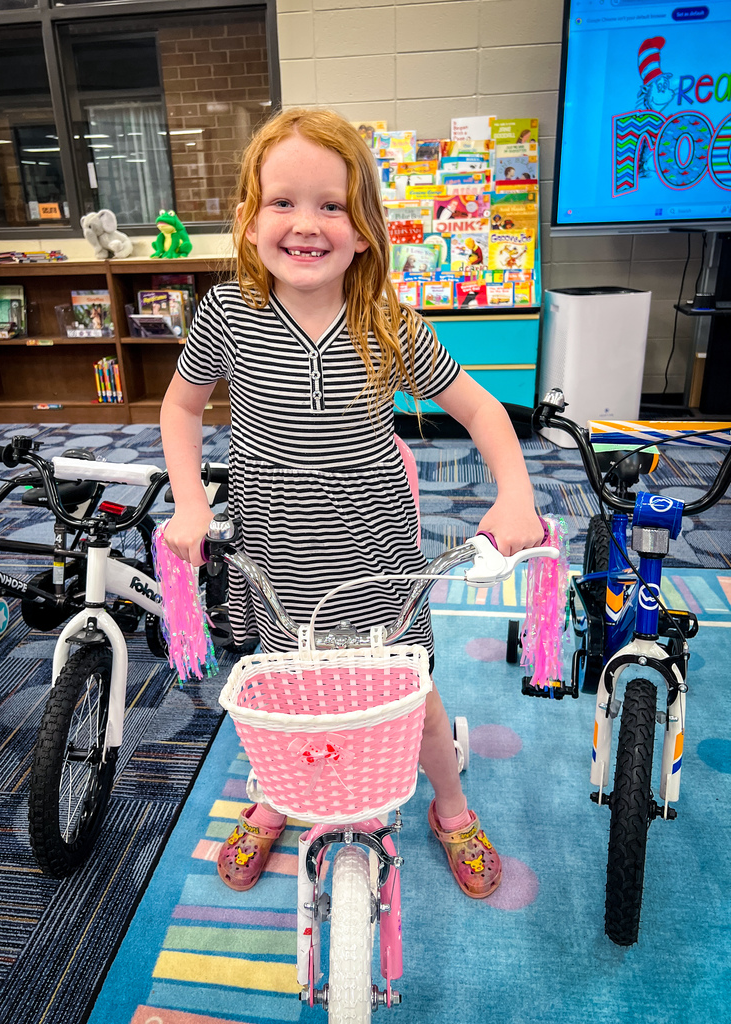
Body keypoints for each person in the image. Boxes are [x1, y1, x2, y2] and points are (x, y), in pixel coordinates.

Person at [160, 107, 544, 900]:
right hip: (279, 562)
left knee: (415, 703)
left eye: (331, 205)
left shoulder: (385, 323)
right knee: (287, 698)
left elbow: (482, 410)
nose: (306, 224)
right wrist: (191, 502)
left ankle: (451, 807)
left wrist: (516, 494)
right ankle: (277, 796)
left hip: (376, 562)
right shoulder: (227, 315)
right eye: (283, 201)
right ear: (249, 219)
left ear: (365, 228)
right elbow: (181, 407)